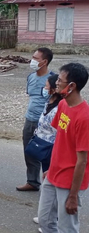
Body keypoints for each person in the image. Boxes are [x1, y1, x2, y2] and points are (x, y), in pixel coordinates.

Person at [38, 63, 89, 233]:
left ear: (72, 86)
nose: (56, 83)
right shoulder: (63, 105)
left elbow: (82, 161)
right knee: (45, 221)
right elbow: (59, 140)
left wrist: (73, 196)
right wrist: (50, 169)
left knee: (66, 227)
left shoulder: (84, 117)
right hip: (53, 175)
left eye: (60, 80)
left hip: (69, 181)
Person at [17, 48, 54, 192]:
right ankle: (32, 181)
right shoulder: (31, 77)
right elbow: (31, 96)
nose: (31, 60)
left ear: (44, 61)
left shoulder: (53, 79)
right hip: (30, 119)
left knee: (45, 153)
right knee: (30, 151)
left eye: (35, 58)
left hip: (45, 123)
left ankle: (50, 183)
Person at [31, 74, 62, 230]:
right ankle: (47, 215)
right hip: (43, 145)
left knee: (52, 183)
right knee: (46, 182)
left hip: (53, 148)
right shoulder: (48, 101)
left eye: (47, 85)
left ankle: (52, 218)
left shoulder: (60, 107)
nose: (44, 88)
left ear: (55, 89)